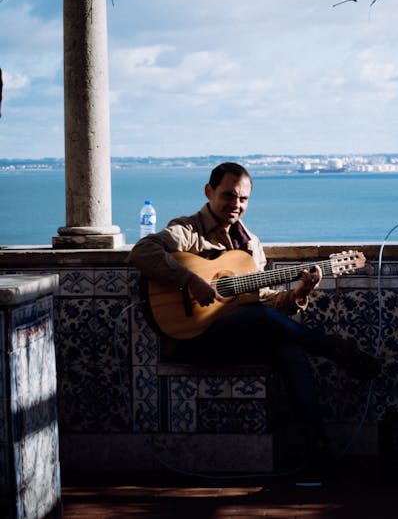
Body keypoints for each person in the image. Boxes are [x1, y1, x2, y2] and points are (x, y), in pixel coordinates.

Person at [129, 162, 380, 474]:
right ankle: (332, 348)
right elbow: (142, 251)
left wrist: (301, 290)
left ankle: (317, 451)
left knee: (289, 351)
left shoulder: (250, 246)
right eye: (229, 196)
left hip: (238, 339)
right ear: (209, 192)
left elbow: (269, 304)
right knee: (259, 318)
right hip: (190, 340)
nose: (236, 205)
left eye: (243, 199)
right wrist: (190, 280)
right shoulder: (187, 230)